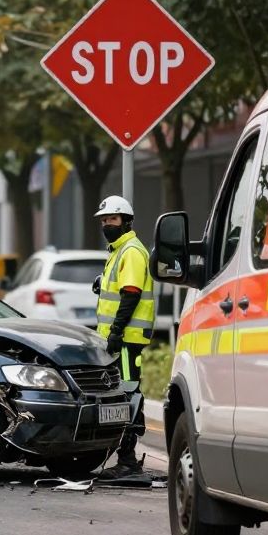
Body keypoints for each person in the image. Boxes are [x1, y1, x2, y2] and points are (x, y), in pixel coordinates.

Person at [91, 195, 156, 480]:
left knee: (129, 395)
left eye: (112, 220)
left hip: (127, 339)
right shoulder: (118, 251)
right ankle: (124, 459)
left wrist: (116, 331)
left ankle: (128, 462)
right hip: (118, 338)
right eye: (104, 220)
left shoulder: (131, 250)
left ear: (127, 221)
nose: (107, 224)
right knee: (122, 395)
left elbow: (131, 294)